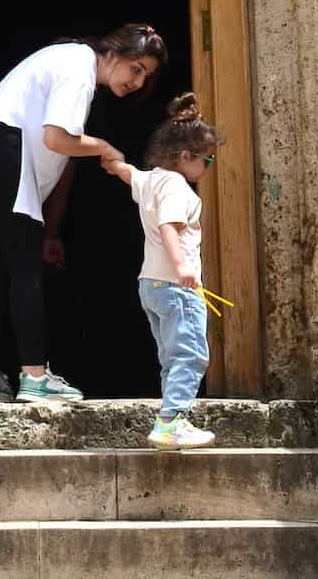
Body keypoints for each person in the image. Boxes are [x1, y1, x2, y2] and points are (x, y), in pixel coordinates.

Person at [0, 22, 168, 403]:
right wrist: (105, 148)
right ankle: (35, 376)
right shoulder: (80, 68)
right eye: (136, 68)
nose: (137, 82)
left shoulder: (67, 62)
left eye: (145, 76)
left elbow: (62, 160)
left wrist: (51, 232)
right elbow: (57, 139)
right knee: (24, 265)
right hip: (0, 147)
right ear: (113, 53)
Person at [103, 91, 219, 448]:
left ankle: (172, 414)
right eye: (208, 160)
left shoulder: (151, 179)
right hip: (175, 286)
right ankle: (171, 421)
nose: (208, 167)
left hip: (150, 286)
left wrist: (113, 162)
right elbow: (170, 226)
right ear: (186, 156)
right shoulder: (177, 188)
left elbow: (128, 175)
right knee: (191, 353)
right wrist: (184, 267)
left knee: (171, 354)